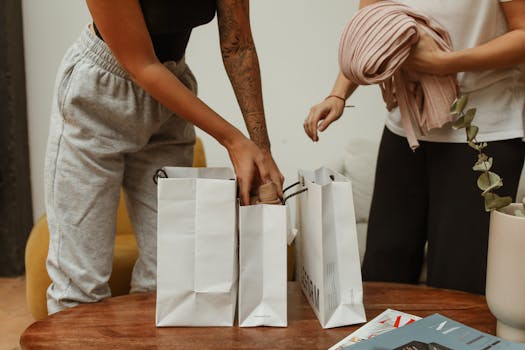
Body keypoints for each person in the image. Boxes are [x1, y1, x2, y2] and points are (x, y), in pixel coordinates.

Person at [45, 0, 284, 313]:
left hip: (170, 96)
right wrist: (234, 140)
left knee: (170, 281)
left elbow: (238, 46)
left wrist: (261, 147)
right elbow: (141, 64)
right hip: (97, 100)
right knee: (78, 288)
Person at [304, 0, 525, 294]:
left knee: (458, 282)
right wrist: (338, 94)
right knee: (384, 273)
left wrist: (445, 64)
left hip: (488, 130)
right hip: (406, 131)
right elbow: (370, 31)